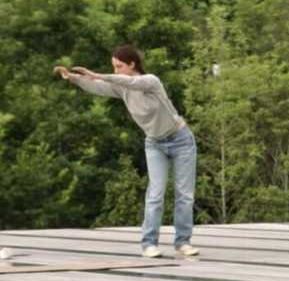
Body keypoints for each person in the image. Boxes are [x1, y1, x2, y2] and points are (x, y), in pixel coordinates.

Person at [55, 45, 199, 258]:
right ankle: (149, 243)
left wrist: (98, 74)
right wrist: (73, 78)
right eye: (113, 67)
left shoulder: (151, 81)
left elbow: (131, 81)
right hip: (155, 144)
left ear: (132, 64)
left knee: (184, 195)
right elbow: (97, 87)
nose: (116, 71)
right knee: (155, 194)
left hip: (181, 140)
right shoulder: (120, 87)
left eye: (119, 66)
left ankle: (183, 242)